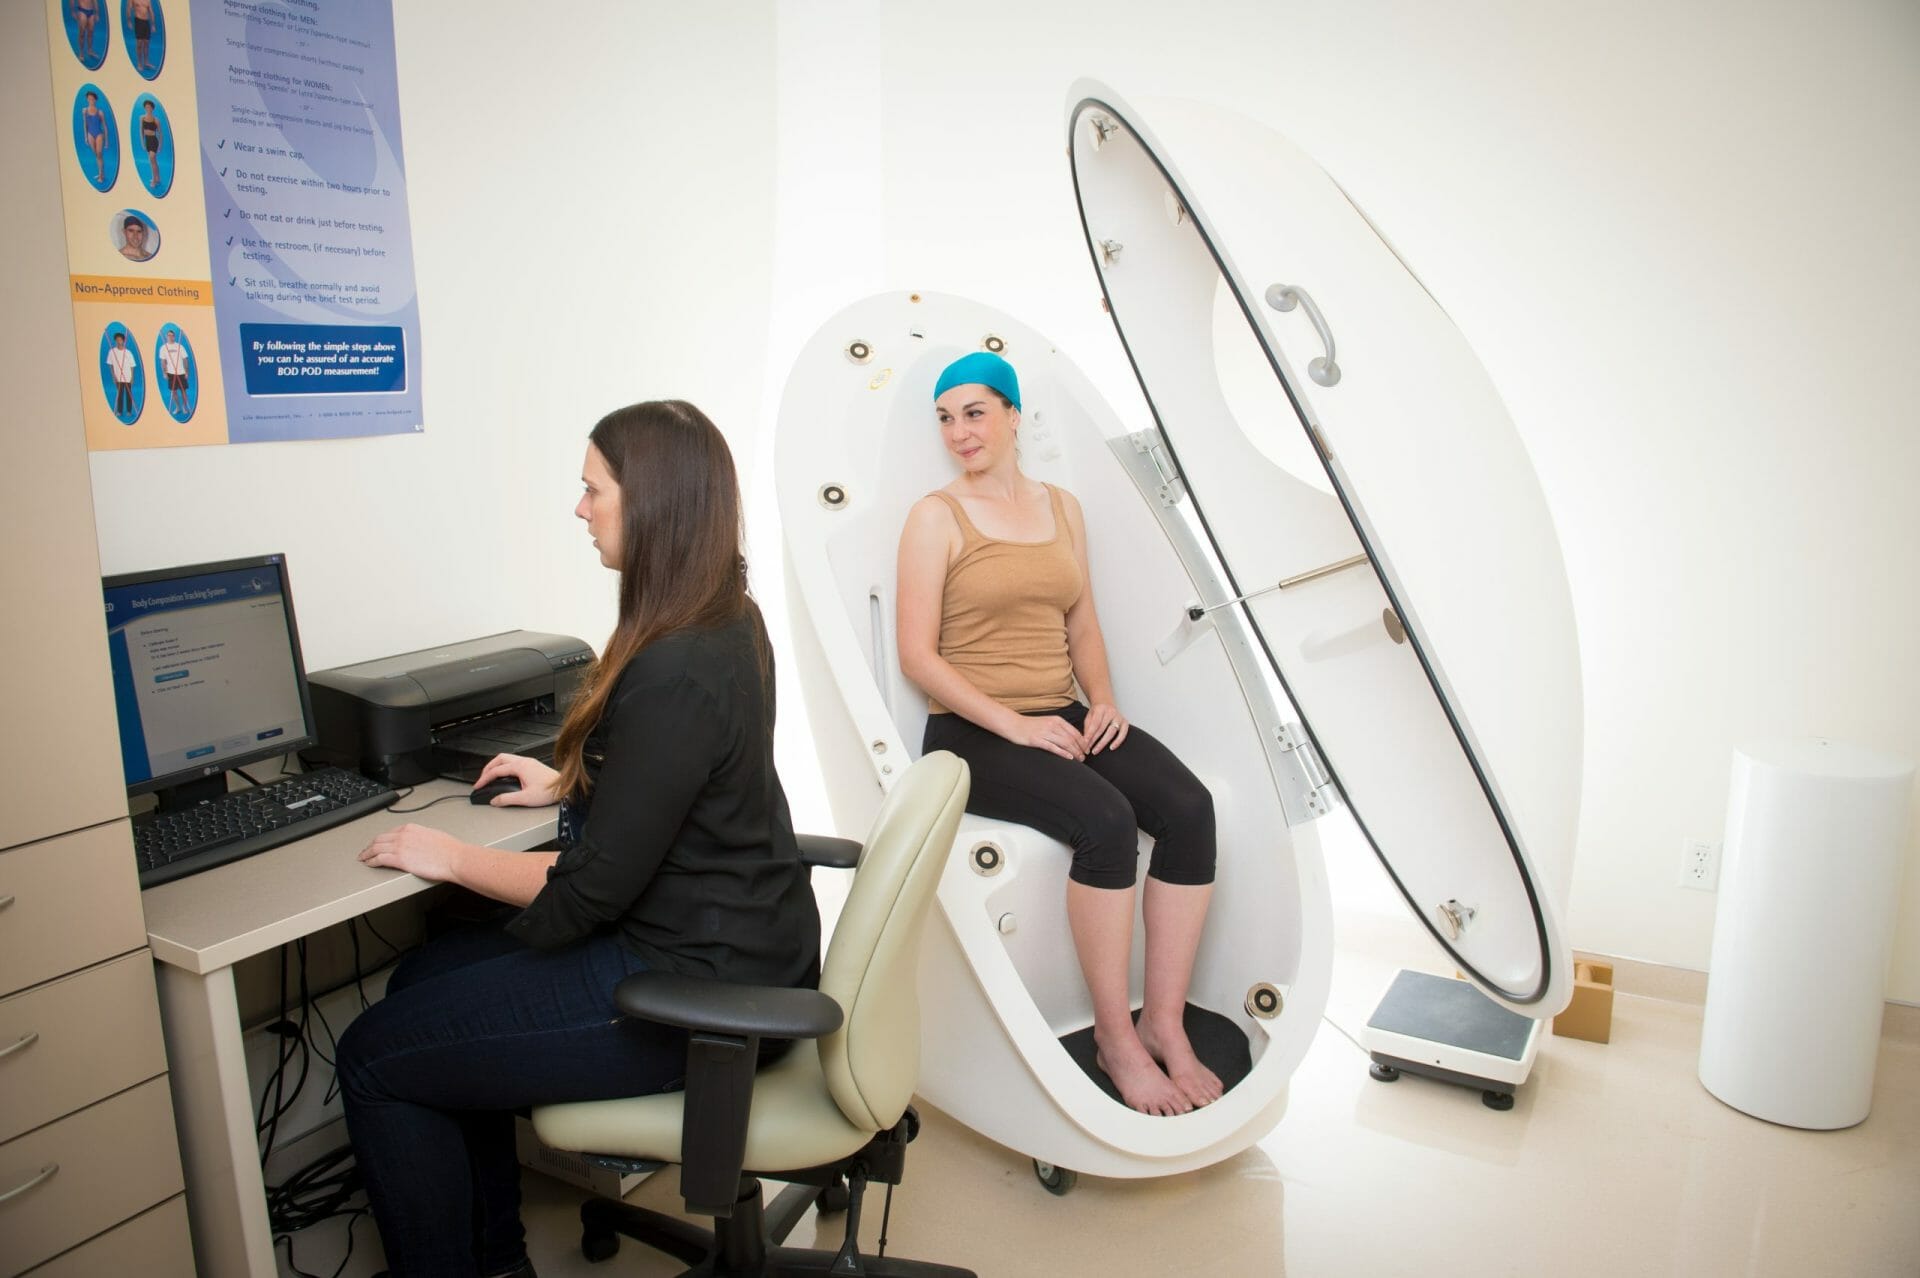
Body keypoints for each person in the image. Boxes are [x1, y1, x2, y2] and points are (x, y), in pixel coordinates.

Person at [337, 400, 821, 1278]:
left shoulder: (675, 663)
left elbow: (587, 892)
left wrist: (445, 854)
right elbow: (698, 776)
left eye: (592, 488)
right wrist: (571, 783)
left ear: (654, 505)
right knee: (419, 976)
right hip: (746, 941)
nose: (579, 507)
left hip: (690, 991)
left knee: (374, 1057)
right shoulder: (725, 618)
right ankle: (493, 1260)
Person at [897, 352, 1222, 1118]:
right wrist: (1016, 725)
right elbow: (918, 656)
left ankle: (1163, 1022)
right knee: (1105, 822)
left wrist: (1100, 700)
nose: (959, 432)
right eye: (945, 418)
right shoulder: (935, 516)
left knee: (1190, 807)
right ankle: (1115, 1039)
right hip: (972, 730)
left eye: (975, 412)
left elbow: (1081, 620)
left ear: (1014, 415)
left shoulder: (1063, 507)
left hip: (1059, 712)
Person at [158, 327, 189, 417]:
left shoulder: (180, 346)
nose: (170, 337)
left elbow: (185, 359)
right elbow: (163, 361)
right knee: (174, 391)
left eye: (172, 335)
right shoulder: (163, 348)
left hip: (181, 372)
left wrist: (186, 372)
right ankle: (178, 407)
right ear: (167, 337)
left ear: (174, 337)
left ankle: (184, 407)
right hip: (171, 373)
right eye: (168, 335)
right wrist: (164, 372)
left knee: (183, 391)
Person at [106, 330, 136, 419]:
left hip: (127, 377)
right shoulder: (112, 352)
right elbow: (110, 365)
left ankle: (129, 411)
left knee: (128, 394)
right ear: (115, 341)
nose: (119, 341)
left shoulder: (128, 352)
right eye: (117, 340)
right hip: (118, 378)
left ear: (123, 341)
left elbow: (132, 366)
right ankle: (119, 411)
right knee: (119, 394)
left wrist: (132, 378)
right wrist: (113, 376)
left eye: (120, 340)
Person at [81, 91, 107, 185]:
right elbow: (85, 124)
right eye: (89, 99)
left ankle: (101, 175)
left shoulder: (100, 112)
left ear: (95, 100)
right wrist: (85, 137)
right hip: (90, 133)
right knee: (96, 154)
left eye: (92, 99)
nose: (91, 100)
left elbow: (104, 126)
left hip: (99, 133)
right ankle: (100, 173)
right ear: (87, 100)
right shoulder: (84, 111)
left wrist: (106, 141)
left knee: (99, 153)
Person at [138, 99, 162, 193]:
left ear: (152, 108)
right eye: (146, 107)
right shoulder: (142, 118)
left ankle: (154, 180)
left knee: (152, 159)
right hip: (147, 140)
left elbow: (160, 133)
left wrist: (160, 145)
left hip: (153, 140)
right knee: (153, 161)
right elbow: (141, 131)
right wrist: (142, 142)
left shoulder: (156, 120)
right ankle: (158, 178)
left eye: (150, 107)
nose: (148, 108)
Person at [128, 0, 156, 74]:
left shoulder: (148, 1)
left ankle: (146, 62)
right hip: (138, 21)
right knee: (139, 43)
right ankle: (140, 63)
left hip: (146, 22)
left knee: (146, 43)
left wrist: (153, 24)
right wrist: (129, 21)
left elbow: (151, 11)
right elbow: (129, 9)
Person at [71, 0, 100, 64]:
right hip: (82, 10)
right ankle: (81, 53)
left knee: (91, 32)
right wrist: (73, 11)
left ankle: (90, 50)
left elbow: (95, 1)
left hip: (91, 11)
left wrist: (97, 13)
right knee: (82, 32)